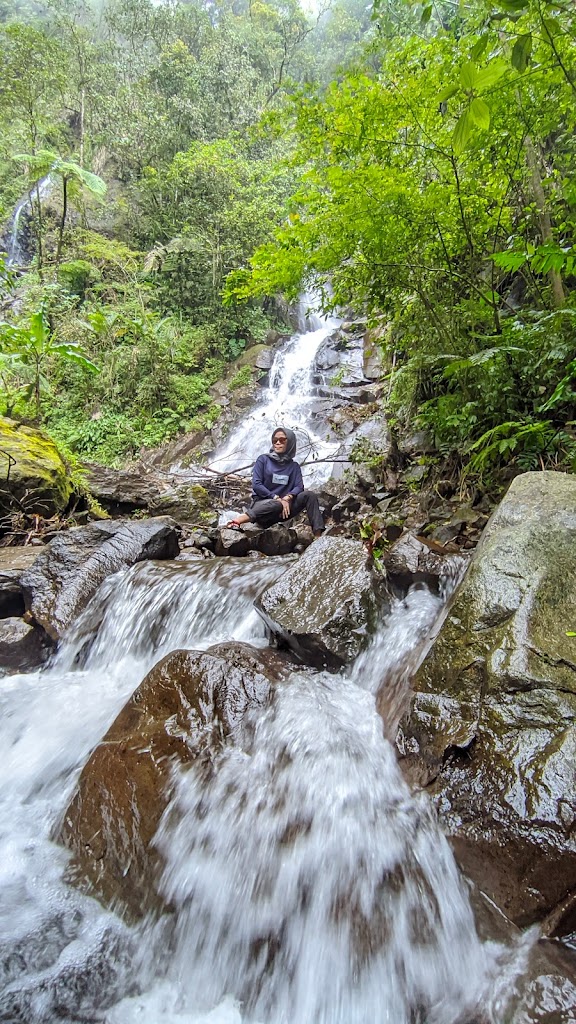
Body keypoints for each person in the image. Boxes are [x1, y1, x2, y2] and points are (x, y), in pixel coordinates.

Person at [227, 427, 324, 536]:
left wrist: (287, 498)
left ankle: (318, 535)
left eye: (282, 440)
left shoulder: (294, 466)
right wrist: (276, 498)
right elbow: (257, 485)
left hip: (284, 511)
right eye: (275, 440)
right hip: (263, 508)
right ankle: (238, 520)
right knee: (277, 504)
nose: (278, 443)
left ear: (290, 443)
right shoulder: (263, 460)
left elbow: (299, 486)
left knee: (309, 495)